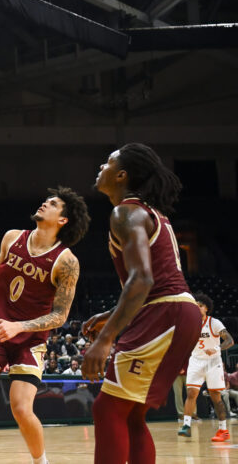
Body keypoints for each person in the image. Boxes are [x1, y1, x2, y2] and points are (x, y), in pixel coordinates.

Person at [0, 187, 90, 464]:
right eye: (46, 199)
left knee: (21, 408)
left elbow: (60, 315)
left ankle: (40, 461)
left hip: (30, 339)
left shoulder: (67, 261)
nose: (45, 202)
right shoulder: (12, 238)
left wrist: (19, 326)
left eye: (54, 203)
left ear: (63, 220)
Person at [83, 143, 202, 464]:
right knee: (132, 414)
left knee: (107, 408)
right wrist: (110, 314)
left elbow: (144, 279)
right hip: (179, 311)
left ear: (121, 175)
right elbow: (153, 281)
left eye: (107, 163)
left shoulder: (126, 212)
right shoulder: (152, 214)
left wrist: (106, 338)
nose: (100, 167)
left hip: (165, 312)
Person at [178, 292, 234, 441]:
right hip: (196, 361)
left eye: (200, 306)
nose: (197, 308)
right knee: (191, 394)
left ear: (206, 308)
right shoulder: (189, 324)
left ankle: (223, 430)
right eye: (195, 306)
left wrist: (216, 349)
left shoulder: (214, 323)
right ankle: (186, 426)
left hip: (213, 362)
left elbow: (230, 340)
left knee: (216, 397)